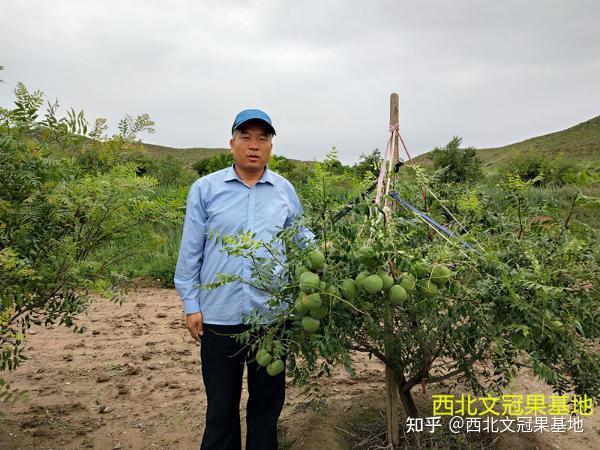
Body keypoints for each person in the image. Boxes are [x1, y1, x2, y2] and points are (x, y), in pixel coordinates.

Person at [174, 109, 313, 450]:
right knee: (221, 407)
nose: (254, 145)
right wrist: (191, 305)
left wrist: (332, 250)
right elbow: (191, 250)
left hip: (272, 316)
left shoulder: (284, 190)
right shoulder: (206, 189)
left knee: (267, 406)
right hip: (219, 316)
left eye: (262, 138)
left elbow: (300, 240)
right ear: (231, 144)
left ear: (270, 146)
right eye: (246, 137)